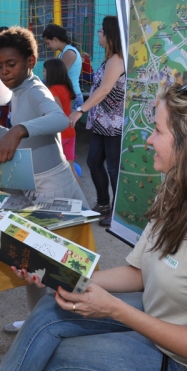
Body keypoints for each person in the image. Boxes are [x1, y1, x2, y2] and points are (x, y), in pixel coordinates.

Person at [0, 82, 187, 371]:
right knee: (48, 307)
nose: (149, 140)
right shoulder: (179, 185)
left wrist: (114, 309)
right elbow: (140, 271)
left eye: (158, 131)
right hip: (162, 315)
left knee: (61, 358)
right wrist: (58, 274)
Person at [0, 26, 88, 334]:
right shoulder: (18, 92)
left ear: (31, 61)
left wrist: (17, 129)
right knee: (34, 265)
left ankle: (69, 328)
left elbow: (59, 120)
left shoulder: (36, 89)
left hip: (53, 188)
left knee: (61, 270)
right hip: (33, 187)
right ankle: (37, 323)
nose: (3, 71)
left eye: (10, 64)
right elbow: (27, 138)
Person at [68, 16, 125, 227]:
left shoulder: (118, 59)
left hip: (114, 124)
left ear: (110, 35)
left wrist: (80, 110)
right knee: (93, 162)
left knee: (112, 168)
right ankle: (103, 204)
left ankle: (118, 212)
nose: (98, 34)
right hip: (103, 123)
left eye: (101, 31)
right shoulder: (109, 58)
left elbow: (104, 90)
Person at [43, 58, 79, 183]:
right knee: (71, 169)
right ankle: (80, 200)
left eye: (44, 71)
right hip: (70, 132)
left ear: (51, 72)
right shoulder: (65, 87)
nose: (43, 74)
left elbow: (57, 114)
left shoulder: (52, 90)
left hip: (60, 134)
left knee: (55, 172)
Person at [41, 24, 84, 109]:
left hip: (72, 95)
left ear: (55, 39)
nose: (48, 46)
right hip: (67, 94)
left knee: (65, 121)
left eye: (48, 43)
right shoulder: (63, 52)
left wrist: (40, 84)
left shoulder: (69, 53)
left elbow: (58, 76)